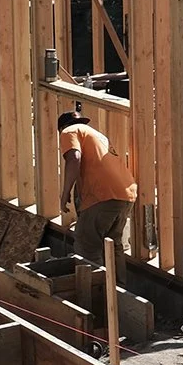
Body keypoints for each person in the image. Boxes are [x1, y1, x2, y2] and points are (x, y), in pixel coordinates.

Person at [58, 110, 136, 261]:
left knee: (86, 245)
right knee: (113, 246)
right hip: (126, 193)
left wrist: (65, 192)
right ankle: (117, 284)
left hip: (102, 195)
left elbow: (74, 158)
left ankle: (92, 284)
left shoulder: (68, 131)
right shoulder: (97, 135)